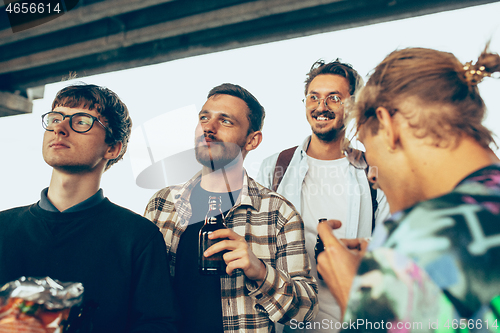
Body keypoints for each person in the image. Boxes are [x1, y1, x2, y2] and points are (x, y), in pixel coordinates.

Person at [316, 45, 500, 331]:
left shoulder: (417, 236)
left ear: (388, 126)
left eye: (366, 145)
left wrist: (364, 297)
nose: (373, 176)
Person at [0, 84, 178, 332]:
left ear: (113, 147)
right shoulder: (3, 228)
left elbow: (157, 326)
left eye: (81, 121)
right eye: (55, 118)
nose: (60, 129)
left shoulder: (138, 237)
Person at [144, 83, 318, 333]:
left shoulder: (279, 213)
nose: (209, 128)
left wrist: (259, 271)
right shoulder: (161, 204)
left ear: (252, 140)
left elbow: (307, 312)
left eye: (225, 121)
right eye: (204, 117)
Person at [257, 60, 390, 332]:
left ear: (352, 105)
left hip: (353, 319)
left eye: (334, 98)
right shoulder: (275, 167)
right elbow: (259, 242)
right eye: (314, 97)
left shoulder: (374, 171)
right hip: (287, 321)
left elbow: (390, 250)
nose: (321, 106)